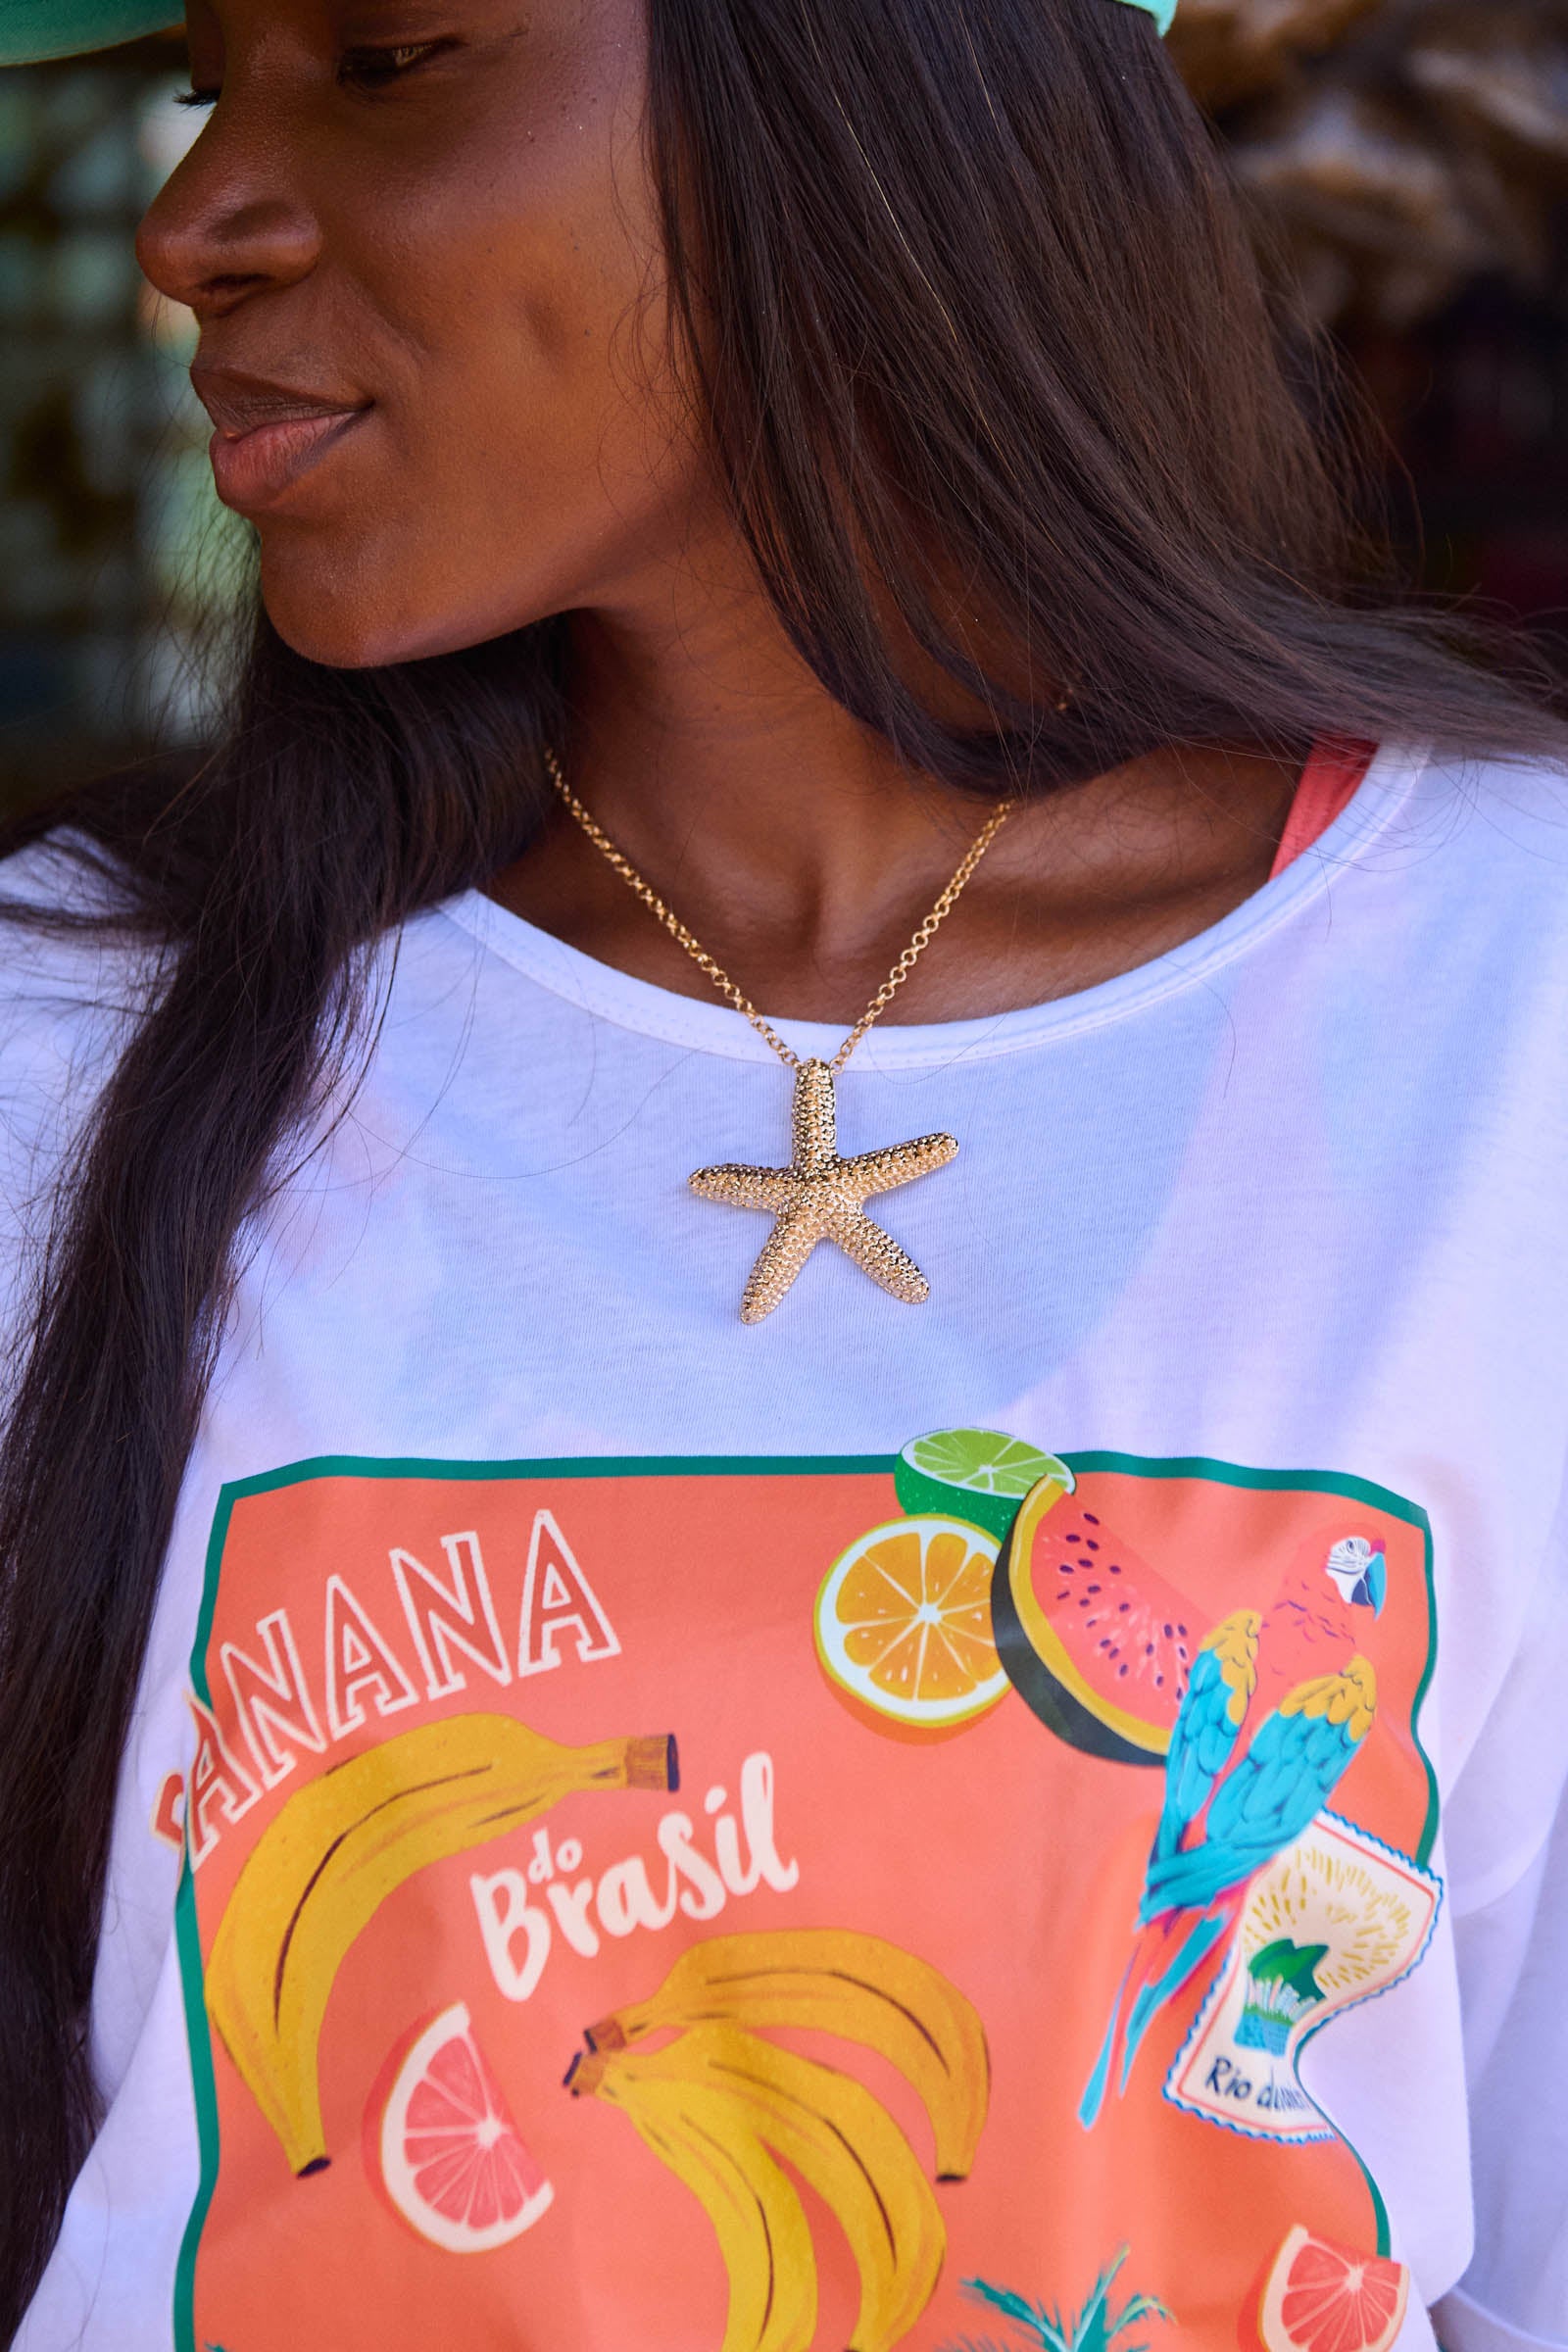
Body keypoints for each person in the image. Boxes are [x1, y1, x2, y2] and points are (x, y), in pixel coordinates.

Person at [0, 0, 1565, 2345]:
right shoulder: (72, 1036)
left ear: (874, 79)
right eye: (210, 86)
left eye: (390, 55)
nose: (190, 219)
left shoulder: (1501, 998)